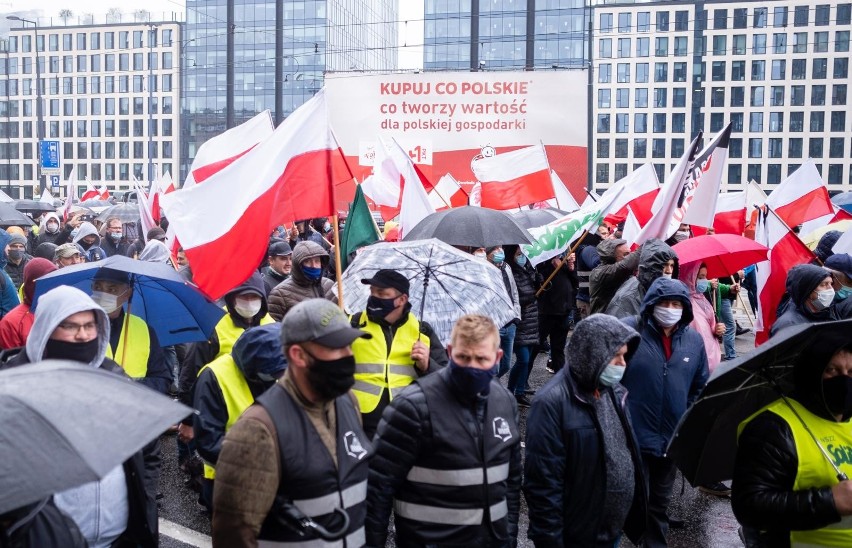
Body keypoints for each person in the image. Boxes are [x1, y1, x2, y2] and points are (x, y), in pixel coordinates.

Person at [1, 285, 160, 547]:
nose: (82, 335)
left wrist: (146, 495)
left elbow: (147, 448)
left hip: (119, 539)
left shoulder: (115, 379)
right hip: (49, 538)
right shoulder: (13, 387)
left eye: (89, 325)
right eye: (70, 326)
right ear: (46, 329)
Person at [212, 299, 372, 547]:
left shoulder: (348, 402)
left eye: (349, 346)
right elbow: (234, 534)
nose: (348, 356)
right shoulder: (258, 430)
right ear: (298, 355)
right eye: (336, 348)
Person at [365, 314, 521, 547]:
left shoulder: (505, 402)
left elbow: (511, 482)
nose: (472, 367)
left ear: (498, 357)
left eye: (481, 359)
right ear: (449, 352)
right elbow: (378, 490)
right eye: (463, 357)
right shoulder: (412, 406)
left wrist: (508, 537)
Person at [524, 314, 646, 546]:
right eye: (616, 357)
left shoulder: (615, 392)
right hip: (577, 534)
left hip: (610, 530)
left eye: (624, 356)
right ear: (594, 356)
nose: (623, 364)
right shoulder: (551, 403)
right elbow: (543, 485)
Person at [733, 333, 852, 547]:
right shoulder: (774, 428)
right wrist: (830, 501)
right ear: (812, 373)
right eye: (831, 370)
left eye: (851, 372)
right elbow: (750, 506)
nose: (844, 380)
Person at [620, 277, 709, 547]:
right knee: (633, 501)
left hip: (671, 440)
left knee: (659, 504)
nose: (670, 309)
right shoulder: (629, 332)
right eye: (664, 303)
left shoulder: (693, 340)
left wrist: (688, 423)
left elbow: (699, 385)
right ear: (651, 305)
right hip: (633, 437)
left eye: (676, 304)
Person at [193, 323, 287, 510]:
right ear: (255, 367)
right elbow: (208, 443)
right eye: (274, 373)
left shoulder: (277, 369)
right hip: (227, 477)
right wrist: (261, 459)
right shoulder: (214, 377)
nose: (280, 377)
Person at [349, 269, 447, 438]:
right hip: (359, 422)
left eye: (381, 293)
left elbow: (446, 381)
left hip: (405, 424)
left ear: (402, 299)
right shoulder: (354, 324)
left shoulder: (422, 332)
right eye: (372, 292)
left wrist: (427, 365)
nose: (373, 297)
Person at [89, 267, 173, 393]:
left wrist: (131, 385)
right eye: (98, 287)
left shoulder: (143, 329)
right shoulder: (79, 327)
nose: (103, 294)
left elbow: (162, 379)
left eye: (112, 289)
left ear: (127, 294)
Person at [606, 238, 678, 319]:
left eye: (672, 266)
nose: (669, 271)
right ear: (651, 266)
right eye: (664, 265)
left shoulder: (654, 288)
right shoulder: (628, 298)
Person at [504, 244, 540, 408]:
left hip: (532, 319)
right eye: (518, 254)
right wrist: (531, 295)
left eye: (522, 253)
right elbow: (517, 295)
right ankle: (511, 392)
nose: (521, 256)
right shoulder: (509, 272)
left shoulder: (527, 269)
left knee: (527, 357)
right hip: (520, 320)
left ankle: (519, 392)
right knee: (523, 359)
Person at [267, 240, 335, 321]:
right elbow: (276, 330)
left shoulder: (329, 285)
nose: (313, 266)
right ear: (298, 264)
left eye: (317, 261)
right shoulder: (279, 294)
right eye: (307, 261)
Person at [679, 262, 725, 374]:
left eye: (705, 276)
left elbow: (712, 325)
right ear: (690, 277)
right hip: (694, 363)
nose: (704, 281)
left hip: (711, 362)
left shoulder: (703, 299)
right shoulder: (682, 302)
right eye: (700, 277)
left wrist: (718, 329)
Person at [0, 258, 56, 349]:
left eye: (55, 278)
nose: (53, 285)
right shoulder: (12, 323)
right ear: (32, 284)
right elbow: (11, 360)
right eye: (46, 280)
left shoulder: (65, 311)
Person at [537, 252, 577, 374]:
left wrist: (571, 269)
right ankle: (521, 384)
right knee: (535, 346)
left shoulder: (563, 262)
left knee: (558, 349)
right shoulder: (541, 262)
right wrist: (550, 266)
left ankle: (561, 378)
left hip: (564, 311)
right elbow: (539, 282)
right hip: (547, 311)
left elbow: (575, 283)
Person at [770, 264, 834, 337]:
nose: (830, 289)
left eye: (831, 283)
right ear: (807, 289)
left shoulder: (826, 313)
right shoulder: (788, 325)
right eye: (823, 284)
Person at [486, 245, 521, 378]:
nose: (499, 251)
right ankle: (492, 392)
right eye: (495, 248)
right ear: (488, 253)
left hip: (510, 322)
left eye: (500, 247)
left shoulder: (506, 267)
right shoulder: (483, 268)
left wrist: (516, 316)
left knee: (506, 364)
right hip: (494, 324)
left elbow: (514, 291)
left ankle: (491, 384)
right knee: (495, 366)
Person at [588, 238, 639, 315]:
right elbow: (626, 264)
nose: (629, 256)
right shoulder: (600, 273)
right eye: (626, 254)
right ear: (611, 258)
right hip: (604, 323)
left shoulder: (626, 273)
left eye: (630, 253)